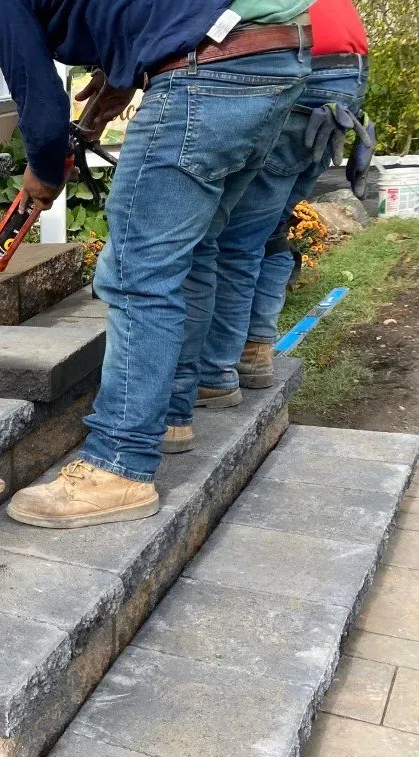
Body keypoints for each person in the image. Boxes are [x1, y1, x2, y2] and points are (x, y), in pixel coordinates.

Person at [0, 0, 312, 529]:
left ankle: (119, 463)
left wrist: (44, 170)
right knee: (194, 250)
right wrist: (122, 76)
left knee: (139, 276)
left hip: (206, 70)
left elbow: (40, 107)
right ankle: (171, 418)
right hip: (275, 61)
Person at [161, 0, 372, 454]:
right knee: (270, 228)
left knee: (233, 240)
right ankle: (253, 351)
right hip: (343, 68)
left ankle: (217, 373)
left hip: (294, 61)